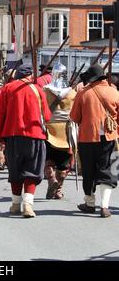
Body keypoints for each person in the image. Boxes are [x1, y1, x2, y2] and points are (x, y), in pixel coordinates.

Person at [0, 64, 52, 218]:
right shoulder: (38, 90)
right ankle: (28, 204)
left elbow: (0, 115)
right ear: (30, 76)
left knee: (15, 170)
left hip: (13, 136)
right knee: (32, 171)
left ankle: (15, 204)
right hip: (35, 135)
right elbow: (46, 116)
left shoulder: (7, 88)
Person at [70, 64, 119, 218]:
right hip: (109, 138)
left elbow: (74, 117)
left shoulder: (83, 93)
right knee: (108, 171)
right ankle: (104, 206)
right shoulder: (114, 92)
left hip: (87, 138)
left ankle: (90, 203)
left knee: (88, 171)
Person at [43, 63, 76, 199]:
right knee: (63, 165)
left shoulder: (45, 91)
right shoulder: (73, 93)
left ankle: (52, 181)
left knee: (48, 161)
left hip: (49, 130)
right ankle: (58, 190)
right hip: (66, 131)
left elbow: (41, 110)